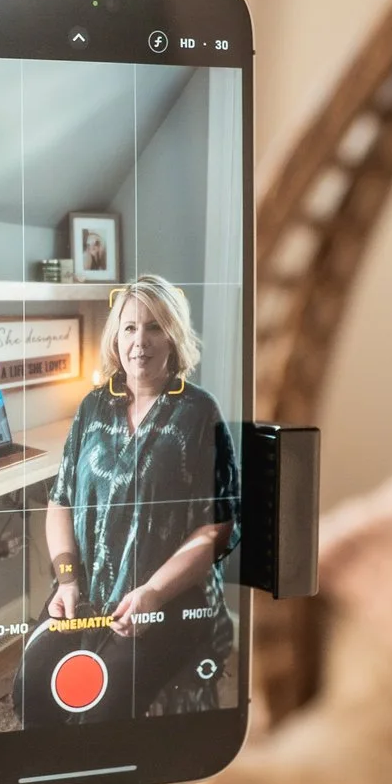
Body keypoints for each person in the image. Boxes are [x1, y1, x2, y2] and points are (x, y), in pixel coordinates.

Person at [35, 274, 238, 718]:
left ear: (174, 337)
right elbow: (59, 502)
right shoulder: (93, 406)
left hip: (163, 600)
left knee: (101, 711)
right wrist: (67, 579)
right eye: (129, 327)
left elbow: (218, 527)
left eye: (154, 327)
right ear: (116, 337)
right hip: (86, 591)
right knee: (31, 692)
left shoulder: (199, 411)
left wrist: (153, 594)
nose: (140, 342)